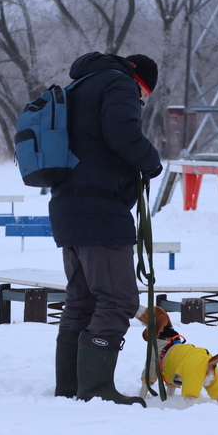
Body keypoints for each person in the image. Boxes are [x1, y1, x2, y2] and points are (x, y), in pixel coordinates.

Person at [48, 52, 163, 407]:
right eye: (144, 96)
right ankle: (96, 387)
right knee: (118, 299)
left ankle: (70, 386)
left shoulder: (79, 86)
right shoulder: (119, 84)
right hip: (100, 209)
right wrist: (151, 162)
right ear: (141, 83)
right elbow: (122, 133)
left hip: (66, 205)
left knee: (82, 299)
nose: (140, 100)